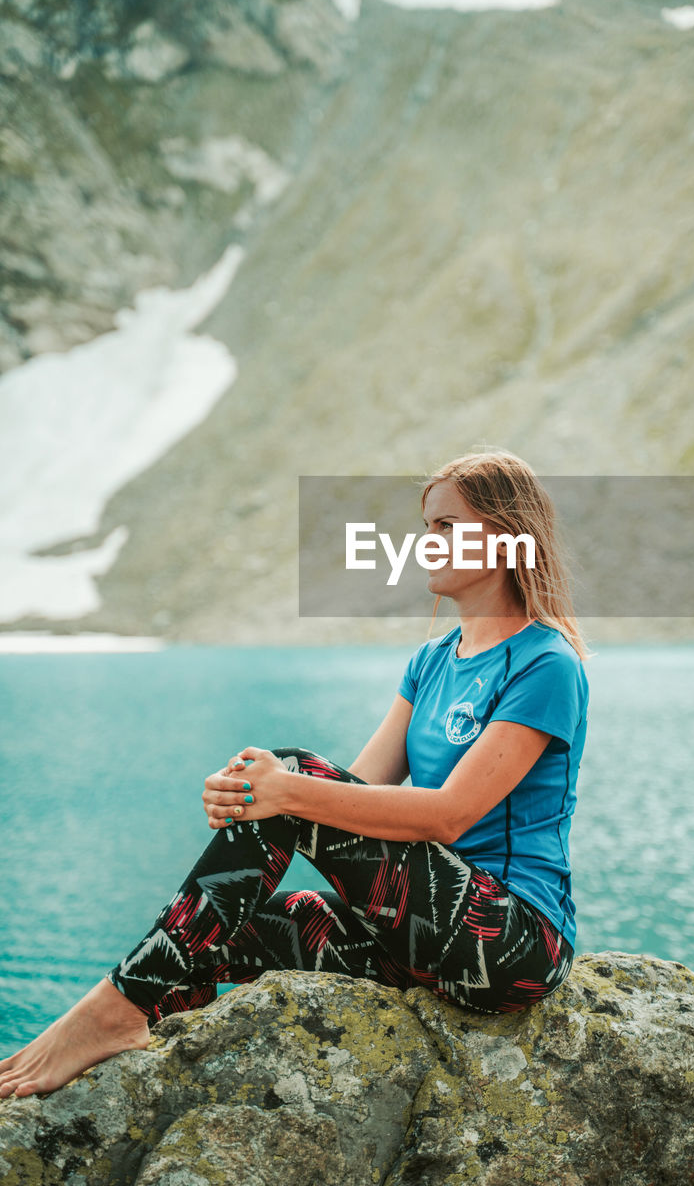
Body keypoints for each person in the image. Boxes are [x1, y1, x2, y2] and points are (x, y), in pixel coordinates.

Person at [0, 449, 590, 1099]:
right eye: (426, 528)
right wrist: (249, 796)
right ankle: (135, 1063)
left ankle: (105, 1015)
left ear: (507, 536)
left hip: (509, 946)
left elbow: (448, 814)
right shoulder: (431, 661)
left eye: (447, 526)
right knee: (208, 936)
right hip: (417, 939)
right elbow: (351, 797)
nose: (427, 543)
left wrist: (284, 787)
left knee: (291, 772)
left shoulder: (545, 662)